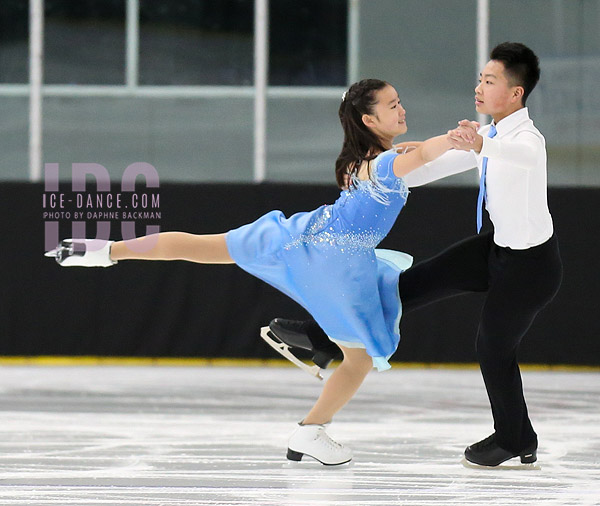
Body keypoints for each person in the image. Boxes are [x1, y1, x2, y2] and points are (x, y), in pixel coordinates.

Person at [45, 79, 463, 466]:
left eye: (399, 102)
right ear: (369, 120)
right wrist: (458, 139)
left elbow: (425, 155)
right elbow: (426, 155)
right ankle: (310, 431)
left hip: (298, 236)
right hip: (335, 263)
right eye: (393, 105)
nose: (401, 109)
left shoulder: (369, 159)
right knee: (358, 357)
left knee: (200, 245)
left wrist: (469, 144)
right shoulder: (386, 163)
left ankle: (103, 250)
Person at [267, 42, 563, 468]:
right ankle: (320, 338)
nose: (479, 86)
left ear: (515, 93)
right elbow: (424, 170)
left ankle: (514, 438)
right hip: (494, 249)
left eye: (490, 80)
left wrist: (478, 144)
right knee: (405, 287)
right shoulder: (490, 136)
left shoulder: (524, 139)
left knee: (493, 346)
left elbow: (522, 156)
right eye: (480, 78)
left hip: (531, 266)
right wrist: (382, 170)